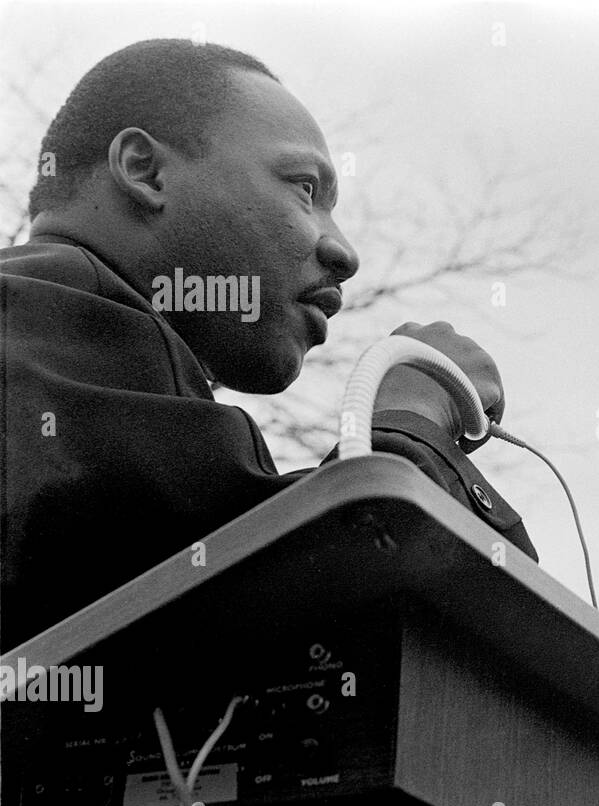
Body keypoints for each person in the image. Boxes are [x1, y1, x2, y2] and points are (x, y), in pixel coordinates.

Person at [0, 39, 536, 651]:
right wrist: (412, 424)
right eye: (305, 188)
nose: (344, 252)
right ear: (146, 171)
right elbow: (264, 630)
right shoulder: (48, 307)